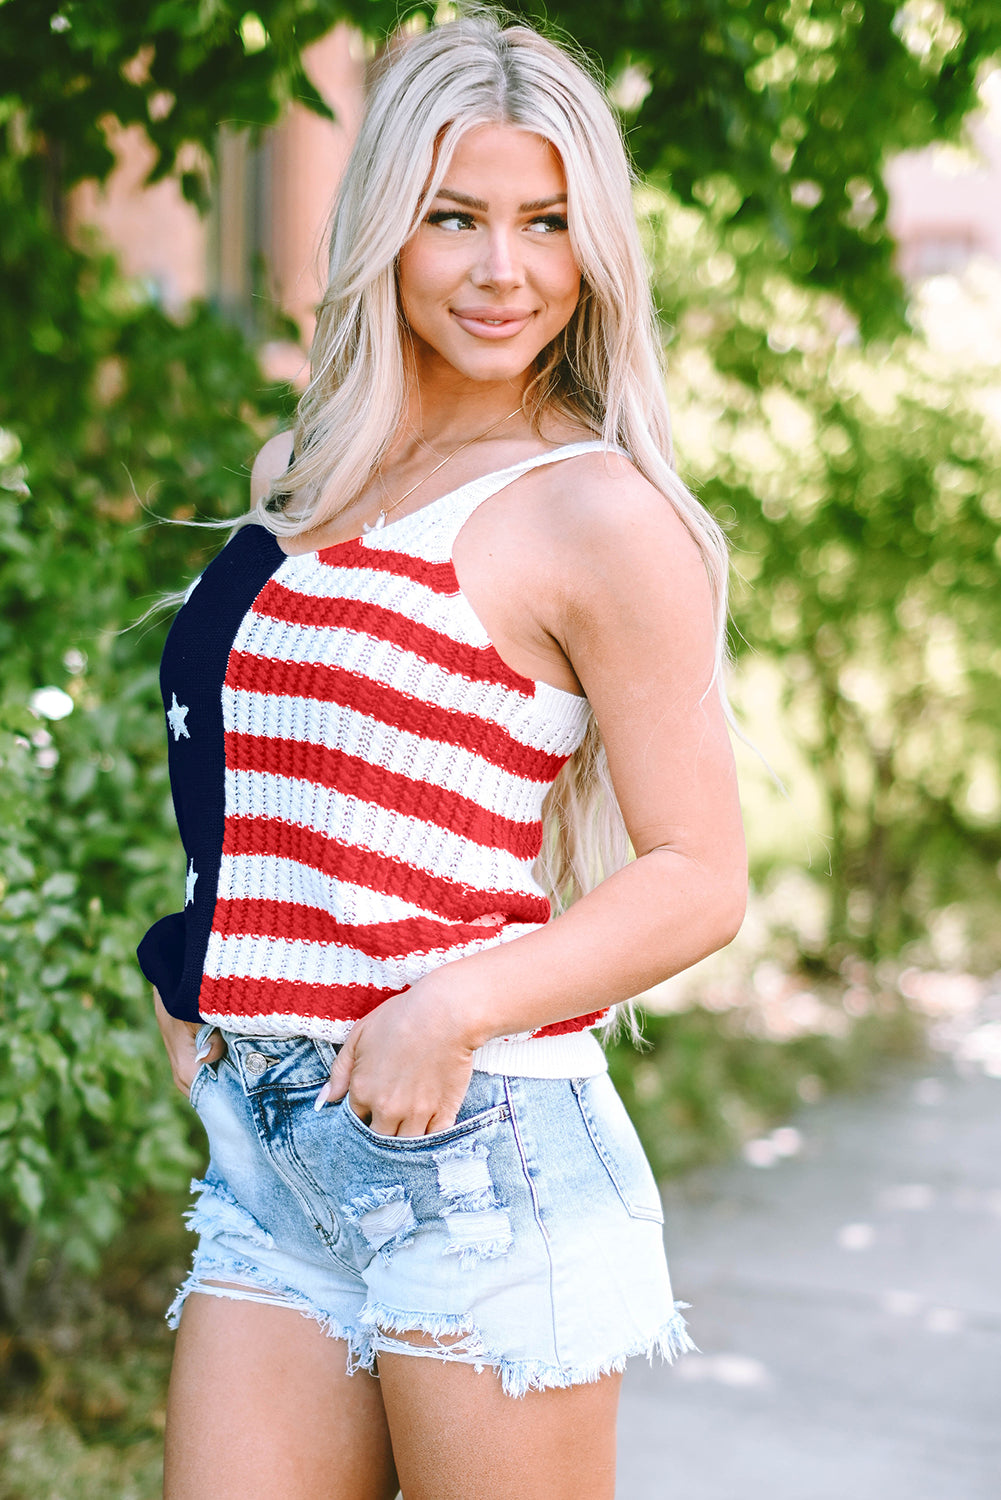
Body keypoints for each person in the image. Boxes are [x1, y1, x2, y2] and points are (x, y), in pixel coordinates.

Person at [138, 10, 746, 1498]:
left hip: (479, 1158)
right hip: (273, 1165)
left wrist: (451, 1006)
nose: (503, 269)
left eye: (546, 223)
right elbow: (246, 779)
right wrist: (192, 975)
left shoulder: (595, 515)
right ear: (382, 233)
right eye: (452, 216)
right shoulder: (315, 478)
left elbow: (698, 877)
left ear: (593, 245)